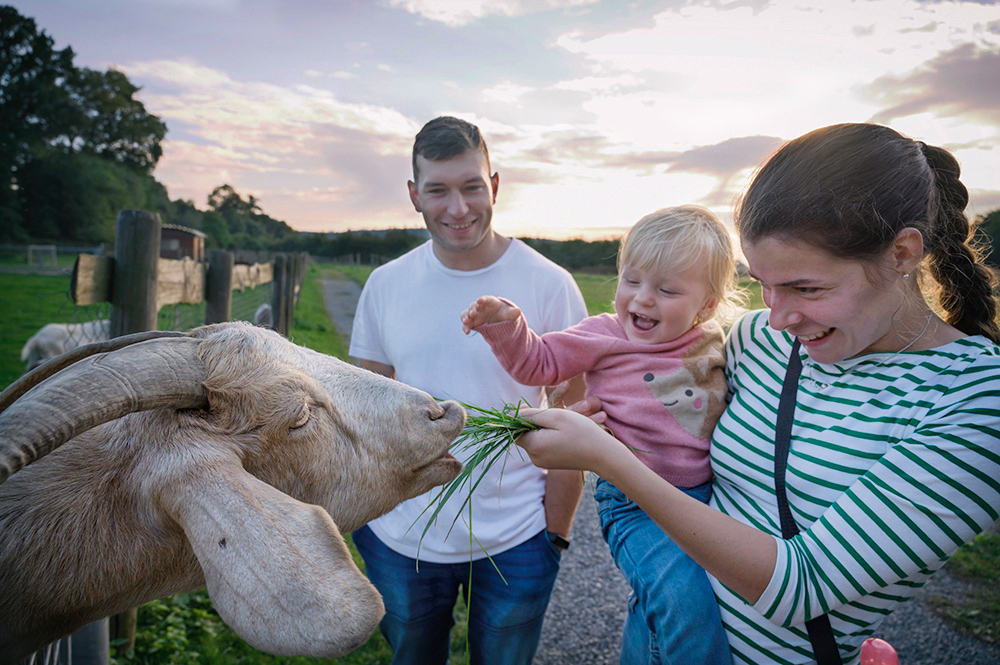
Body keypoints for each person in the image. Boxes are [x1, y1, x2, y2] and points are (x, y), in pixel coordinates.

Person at [512, 123, 1000, 665]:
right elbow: (661, 403)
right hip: (652, 640)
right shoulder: (756, 339)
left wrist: (608, 460)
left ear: (903, 252)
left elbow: (801, 588)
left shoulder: (974, 402)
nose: (779, 315)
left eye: (806, 287)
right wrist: (597, 419)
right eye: (764, 284)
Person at [348, 115, 588, 665]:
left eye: (471, 186)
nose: (458, 208)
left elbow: (577, 418)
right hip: (400, 540)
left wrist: (556, 534)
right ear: (415, 195)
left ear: (494, 186)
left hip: (520, 540)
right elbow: (365, 414)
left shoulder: (550, 284)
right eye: (438, 190)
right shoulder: (386, 285)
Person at [460, 205, 741, 664]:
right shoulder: (604, 334)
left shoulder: (711, 340)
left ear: (706, 306)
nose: (642, 299)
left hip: (707, 499)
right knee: (683, 603)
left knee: (672, 606)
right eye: (631, 280)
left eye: (666, 289)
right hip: (636, 505)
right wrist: (507, 325)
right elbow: (540, 363)